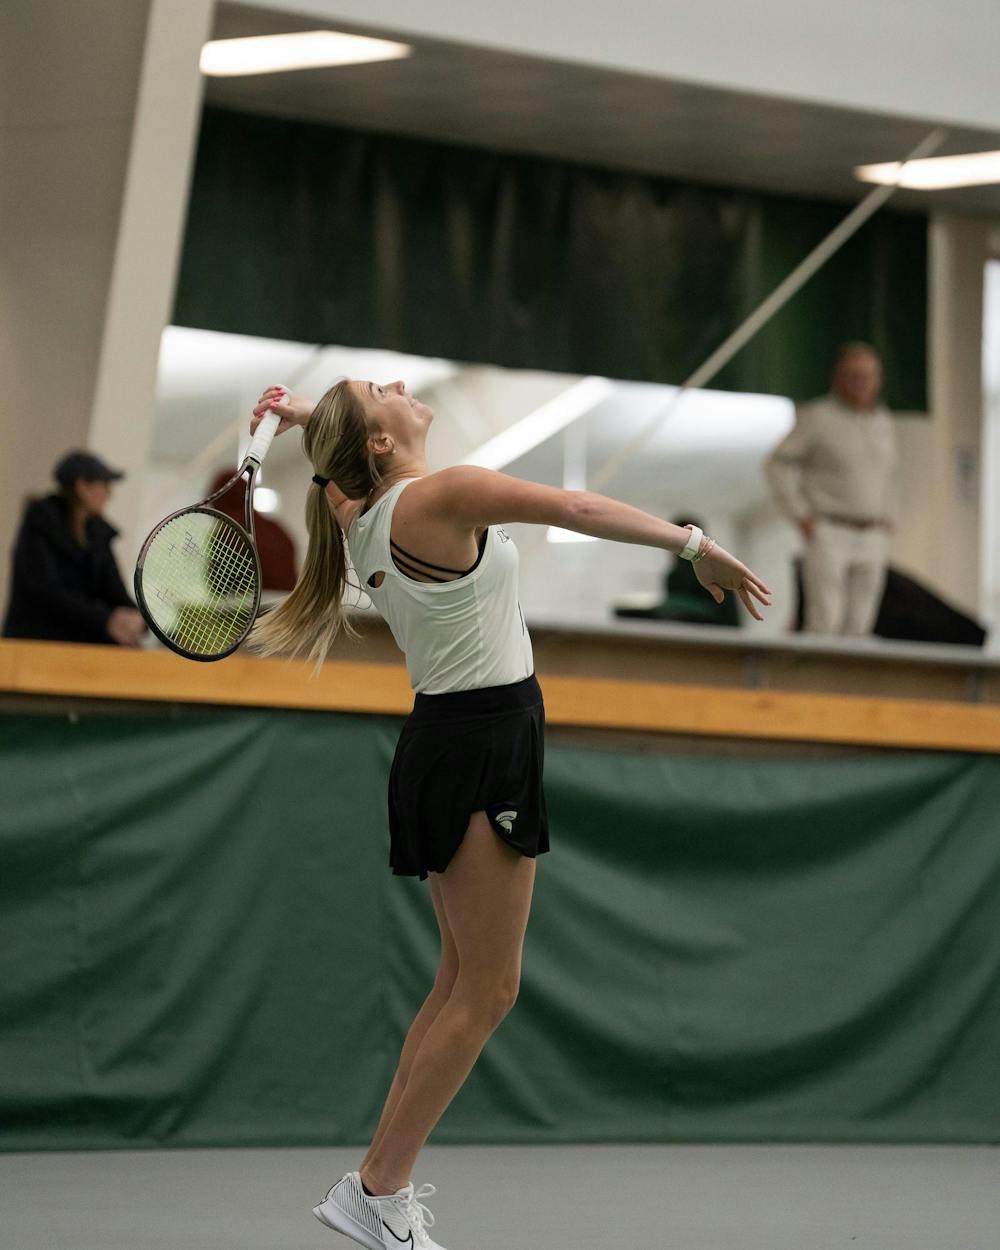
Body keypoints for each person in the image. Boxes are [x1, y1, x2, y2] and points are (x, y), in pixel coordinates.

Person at [247, 377, 772, 1249]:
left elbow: (337, 473)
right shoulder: (440, 494)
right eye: (379, 391)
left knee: (458, 982)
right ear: (377, 443)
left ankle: (375, 1185)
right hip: (483, 742)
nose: (400, 386)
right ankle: (380, 1187)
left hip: (447, 742)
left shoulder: (355, 515)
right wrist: (693, 545)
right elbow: (571, 504)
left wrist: (314, 420)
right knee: (489, 989)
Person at [764, 342, 897, 636]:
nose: (862, 383)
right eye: (854, 375)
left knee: (861, 623)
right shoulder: (818, 417)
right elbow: (776, 464)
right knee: (826, 617)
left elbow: (886, 474)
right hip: (829, 528)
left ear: (879, 379)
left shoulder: (883, 421)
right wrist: (801, 515)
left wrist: (888, 515)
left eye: (868, 375)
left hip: (873, 532)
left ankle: (850, 682)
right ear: (839, 378)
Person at [2, 451, 146, 646]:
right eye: (104, 485)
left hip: (82, 651)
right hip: (36, 647)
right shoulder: (41, 525)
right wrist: (105, 620)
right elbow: (46, 592)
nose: (109, 494)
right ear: (82, 486)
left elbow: (113, 589)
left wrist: (137, 619)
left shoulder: (98, 534)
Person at [205, 468, 298, 591]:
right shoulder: (276, 529)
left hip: (255, 609)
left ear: (218, 502)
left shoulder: (227, 536)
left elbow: (218, 588)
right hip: (289, 606)